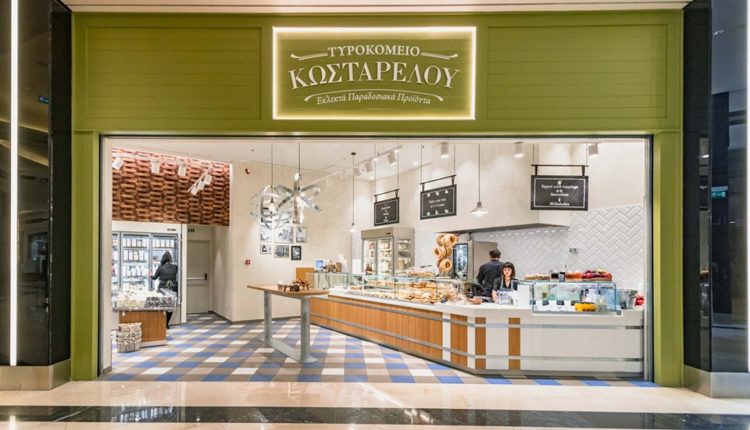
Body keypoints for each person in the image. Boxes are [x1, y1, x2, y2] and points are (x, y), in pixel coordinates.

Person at [151, 251, 178, 329]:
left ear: (163, 259)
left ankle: (162, 323)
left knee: (163, 306)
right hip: (172, 288)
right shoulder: (175, 267)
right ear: (170, 259)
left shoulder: (160, 267)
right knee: (170, 306)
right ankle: (167, 323)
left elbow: (154, 278)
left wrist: (150, 275)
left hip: (162, 288)